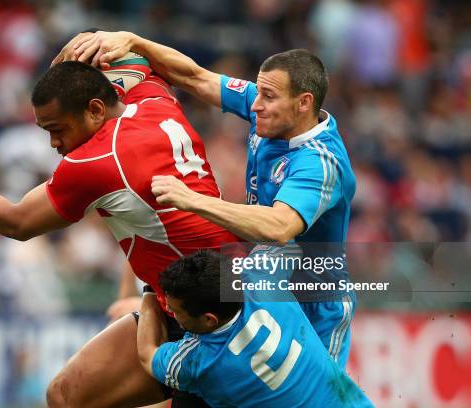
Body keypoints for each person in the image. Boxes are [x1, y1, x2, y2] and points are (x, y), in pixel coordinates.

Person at [0, 60, 239, 407]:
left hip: (210, 313)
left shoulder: (98, 160)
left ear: (96, 110)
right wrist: (102, 42)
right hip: (209, 287)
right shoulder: (154, 100)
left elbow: (15, 222)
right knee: (64, 395)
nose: (54, 143)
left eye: (58, 129)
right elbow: (139, 66)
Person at [64, 31, 357, 367]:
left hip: (314, 304)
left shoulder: (319, 163)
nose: (255, 103)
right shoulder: (272, 112)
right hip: (262, 285)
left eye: (268, 96)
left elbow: (280, 226)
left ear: (303, 102)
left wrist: (191, 199)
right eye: (258, 92)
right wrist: (134, 42)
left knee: (314, 398)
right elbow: (194, 76)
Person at [138, 249, 373, 407]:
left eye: (176, 311)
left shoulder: (197, 362)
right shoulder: (262, 277)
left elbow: (147, 355)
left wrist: (149, 296)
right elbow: (285, 237)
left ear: (209, 319)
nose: (169, 309)